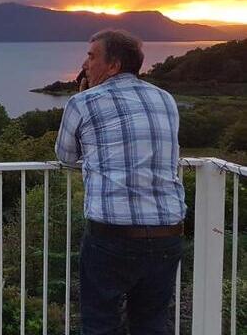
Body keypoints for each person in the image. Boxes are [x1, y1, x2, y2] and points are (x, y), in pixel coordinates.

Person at [55, 30, 185, 335]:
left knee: (100, 323)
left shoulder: (83, 102)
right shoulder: (165, 99)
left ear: (113, 65)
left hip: (112, 236)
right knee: (151, 324)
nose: (85, 63)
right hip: (168, 232)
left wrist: (84, 97)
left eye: (91, 56)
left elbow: (65, 156)